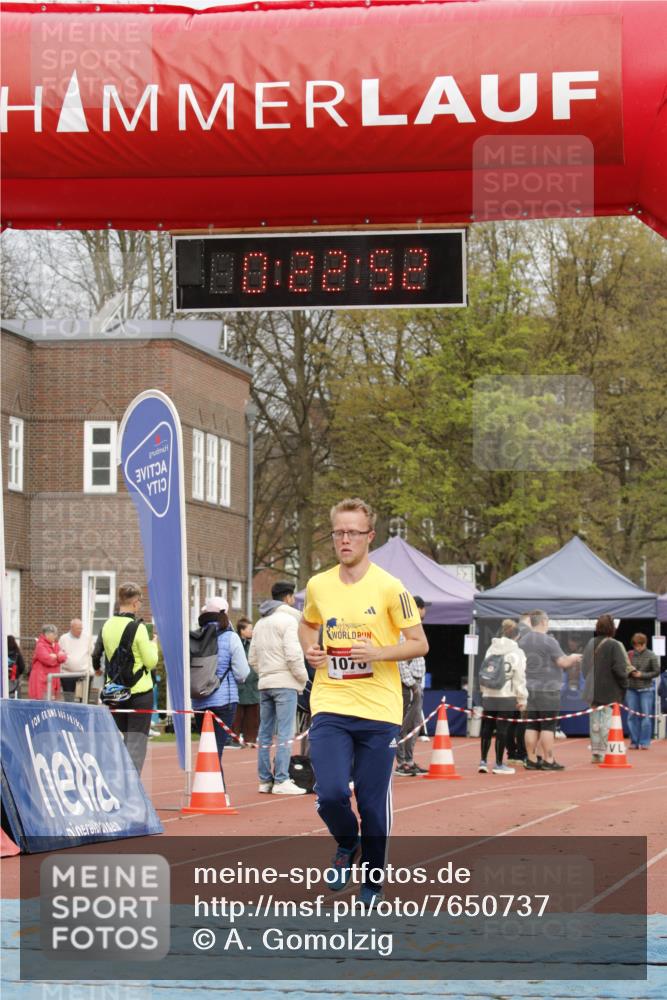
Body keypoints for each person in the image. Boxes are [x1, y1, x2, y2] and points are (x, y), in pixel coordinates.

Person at [299, 497, 428, 905]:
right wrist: (310, 650)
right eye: (338, 532)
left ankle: (372, 880)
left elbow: (419, 643)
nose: (345, 540)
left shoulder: (391, 587)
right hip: (331, 703)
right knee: (331, 792)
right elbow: (307, 625)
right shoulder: (319, 585)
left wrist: (378, 653)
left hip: (378, 710)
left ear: (369, 537)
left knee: (373, 804)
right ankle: (346, 842)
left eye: (353, 532)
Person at [249, 580, 309, 795]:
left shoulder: (260, 623)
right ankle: (282, 779)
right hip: (286, 683)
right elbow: (293, 656)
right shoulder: (289, 622)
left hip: (265, 683)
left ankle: (265, 780)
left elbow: (252, 657)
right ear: (289, 598)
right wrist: (302, 679)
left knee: (264, 733)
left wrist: (265, 673)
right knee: (285, 732)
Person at [100, 582, 158, 774]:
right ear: (134, 603)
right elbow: (150, 662)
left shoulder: (107, 625)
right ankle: (133, 788)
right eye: (140, 601)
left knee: (124, 740)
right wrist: (153, 644)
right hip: (139, 691)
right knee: (137, 743)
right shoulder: (138, 628)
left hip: (115, 691)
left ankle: (121, 783)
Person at [191, 596, 249, 773]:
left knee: (208, 749)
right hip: (224, 701)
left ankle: (213, 793)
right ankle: (217, 794)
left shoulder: (195, 637)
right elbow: (242, 673)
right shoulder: (231, 638)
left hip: (199, 700)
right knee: (215, 752)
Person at [518, 609, 581, 771]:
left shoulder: (522, 640)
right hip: (548, 689)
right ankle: (548, 759)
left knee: (531, 725)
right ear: (544, 621)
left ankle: (531, 759)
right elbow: (563, 663)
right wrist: (573, 657)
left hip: (529, 689)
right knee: (548, 726)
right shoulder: (549, 641)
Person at [478, 620, 527, 775]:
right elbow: (519, 677)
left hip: (489, 693)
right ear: (517, 636)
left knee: (487, 727)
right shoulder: (517, 653)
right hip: (506, 694)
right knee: (502, 729)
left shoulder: (491, 648)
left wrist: (483, 691)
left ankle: (483, 761)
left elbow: (484, 670)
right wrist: (521, 698)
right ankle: (498, 763)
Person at [582, 614, 631, 762]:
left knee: (595, 723)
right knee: (608, 722)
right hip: (610, 690)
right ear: (612, 628)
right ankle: (605, 752)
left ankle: (596, 753)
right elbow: (620, 669)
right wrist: (625, 684)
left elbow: (584, 668)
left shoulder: (590, 643)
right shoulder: (615, 645)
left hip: (592, 690)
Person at [395, 596, 430, 776]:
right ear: (416, 608)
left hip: (415, 682)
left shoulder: (414, 630)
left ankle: (408, 760)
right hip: (408, 685)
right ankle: (402, 762)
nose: (425, 611)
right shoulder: (405, 631)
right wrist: (411, 684)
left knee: (414, 725)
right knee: (404, 725)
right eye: (423, 607)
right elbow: (401, 660)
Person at [625, 634, 660, 749]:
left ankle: (644, 742)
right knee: (631, 716)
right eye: (636, 646)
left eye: (641, 645)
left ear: (645, 644)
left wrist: (642, 675)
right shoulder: (629, 654)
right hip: (631, 689)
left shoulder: (651, 655)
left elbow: (656, 671)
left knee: (645, 716)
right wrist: (629, 672)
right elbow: (623, 668)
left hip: (646, 689)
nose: (638, 648)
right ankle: (634, 742)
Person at [232, 618, 260, 746]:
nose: (252, 631)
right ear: (242, 631)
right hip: (239, 685)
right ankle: (234, 739)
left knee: (253, 716)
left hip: (253, 685)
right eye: (250, 628)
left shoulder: (254, 644)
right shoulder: (236, 643)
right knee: (237, 715)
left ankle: (251, 739)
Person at [59, 618, 94, 703]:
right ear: (71, 628)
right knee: (69, 699)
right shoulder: (63, 638)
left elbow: (92, 651)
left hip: (84, 673)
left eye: (81, 628)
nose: (80, 631)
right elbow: (59, 653)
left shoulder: (87, 638)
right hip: (67, 674)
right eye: (78, 629)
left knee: (84, 700)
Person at [28, 625, 67, 700]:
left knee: (52, 704)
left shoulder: (56, 645)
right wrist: (58, 657)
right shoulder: (40, 646)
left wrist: (55, 656)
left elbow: (64, 657)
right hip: (42, 681)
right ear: (47, 634)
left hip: (53, 680)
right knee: (42, 704)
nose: (56, 637)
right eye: (54, 634)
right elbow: (48, 660)